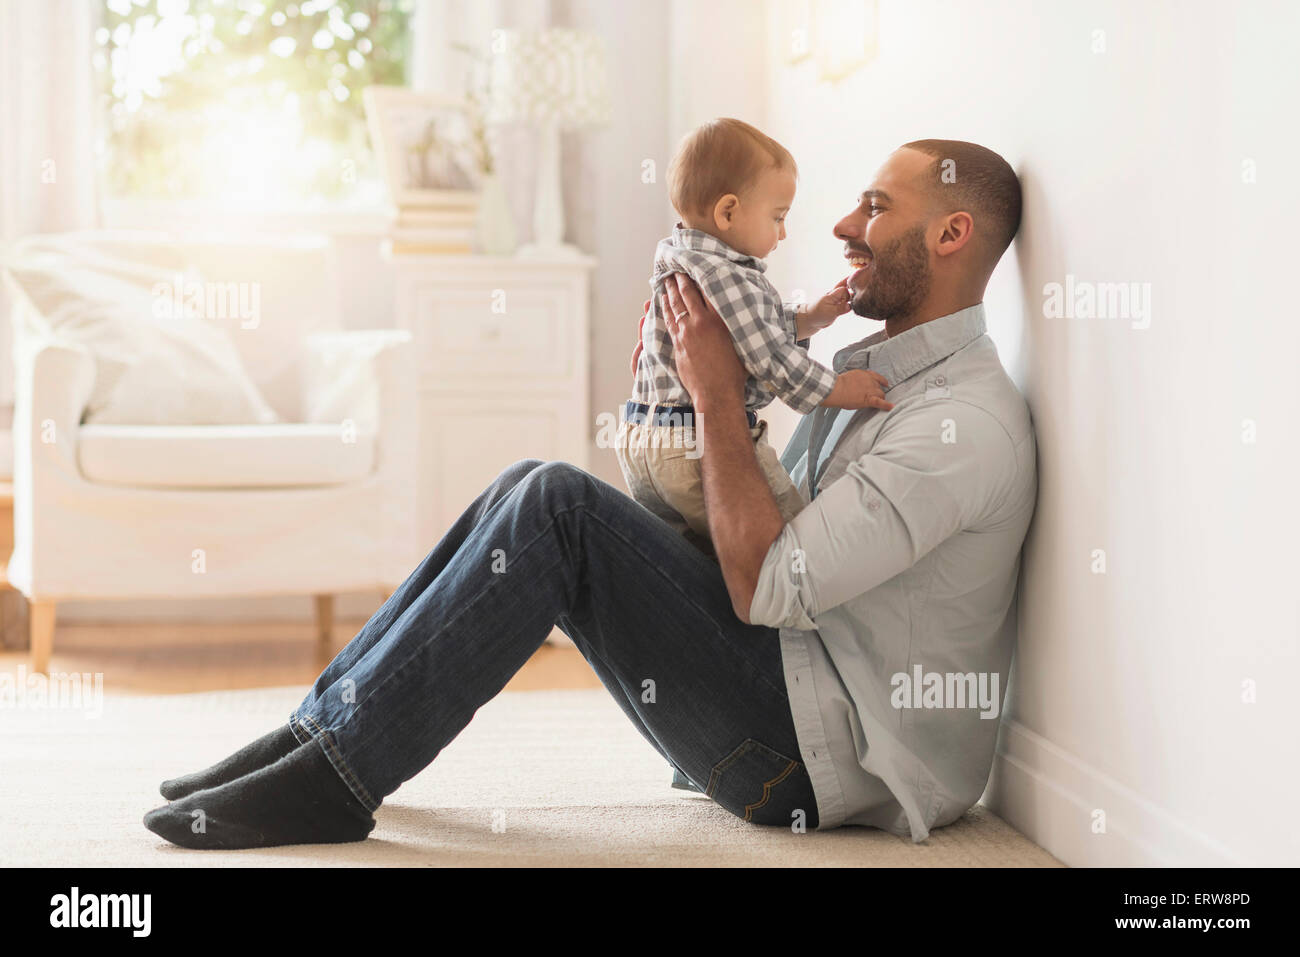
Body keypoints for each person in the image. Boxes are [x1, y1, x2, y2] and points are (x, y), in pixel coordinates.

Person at [143, 138, 1035, 849]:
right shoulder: (883, 378)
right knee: (528, 483)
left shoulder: (960, 424)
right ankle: (314, 737)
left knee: (560, 509)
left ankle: (332, 782)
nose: (845, 223)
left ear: (951, 235)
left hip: (811, 760)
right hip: (793, 683)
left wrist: (717, 393)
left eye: (876, 208)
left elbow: (766, 582)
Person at [618, 117, 891, 556]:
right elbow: (768, 357)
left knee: (689, 561)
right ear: (728, 211)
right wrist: (837, 388)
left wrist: (810, 318)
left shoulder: (681, 258)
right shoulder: (729, 274)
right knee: (793, 546)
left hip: (645, 440)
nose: (782, 233)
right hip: (692, 446)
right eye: (777, 217)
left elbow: (742, 334)